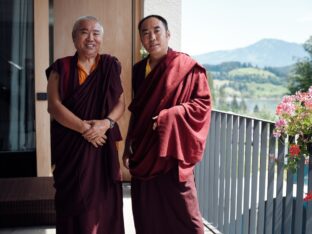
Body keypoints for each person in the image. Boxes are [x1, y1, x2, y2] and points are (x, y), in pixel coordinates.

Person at [123, 15, 212, 234]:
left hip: (173, 151)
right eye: (145, 32)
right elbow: (137, 111)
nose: (151, 37)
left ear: (168, 34)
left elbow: (202, 105)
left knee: (186, 215)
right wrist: (128, 146)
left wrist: (171, 115)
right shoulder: (138, 70)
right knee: (148, 212)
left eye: (156, 31)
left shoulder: (187, 66)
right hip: (145, 152)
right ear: (141, 39)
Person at [46, 16, 125, 234]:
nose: (90, 38)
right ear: (74, 38)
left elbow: (120, 102)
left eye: (96, 33)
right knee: (73, 197)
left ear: (101, 38)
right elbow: (54, 105)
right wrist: (86, 129)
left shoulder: (110, 65)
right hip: (72, 143)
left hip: (102, 144)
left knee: (104, 199)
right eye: (84, 32)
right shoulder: (60, 68)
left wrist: (105, 124)